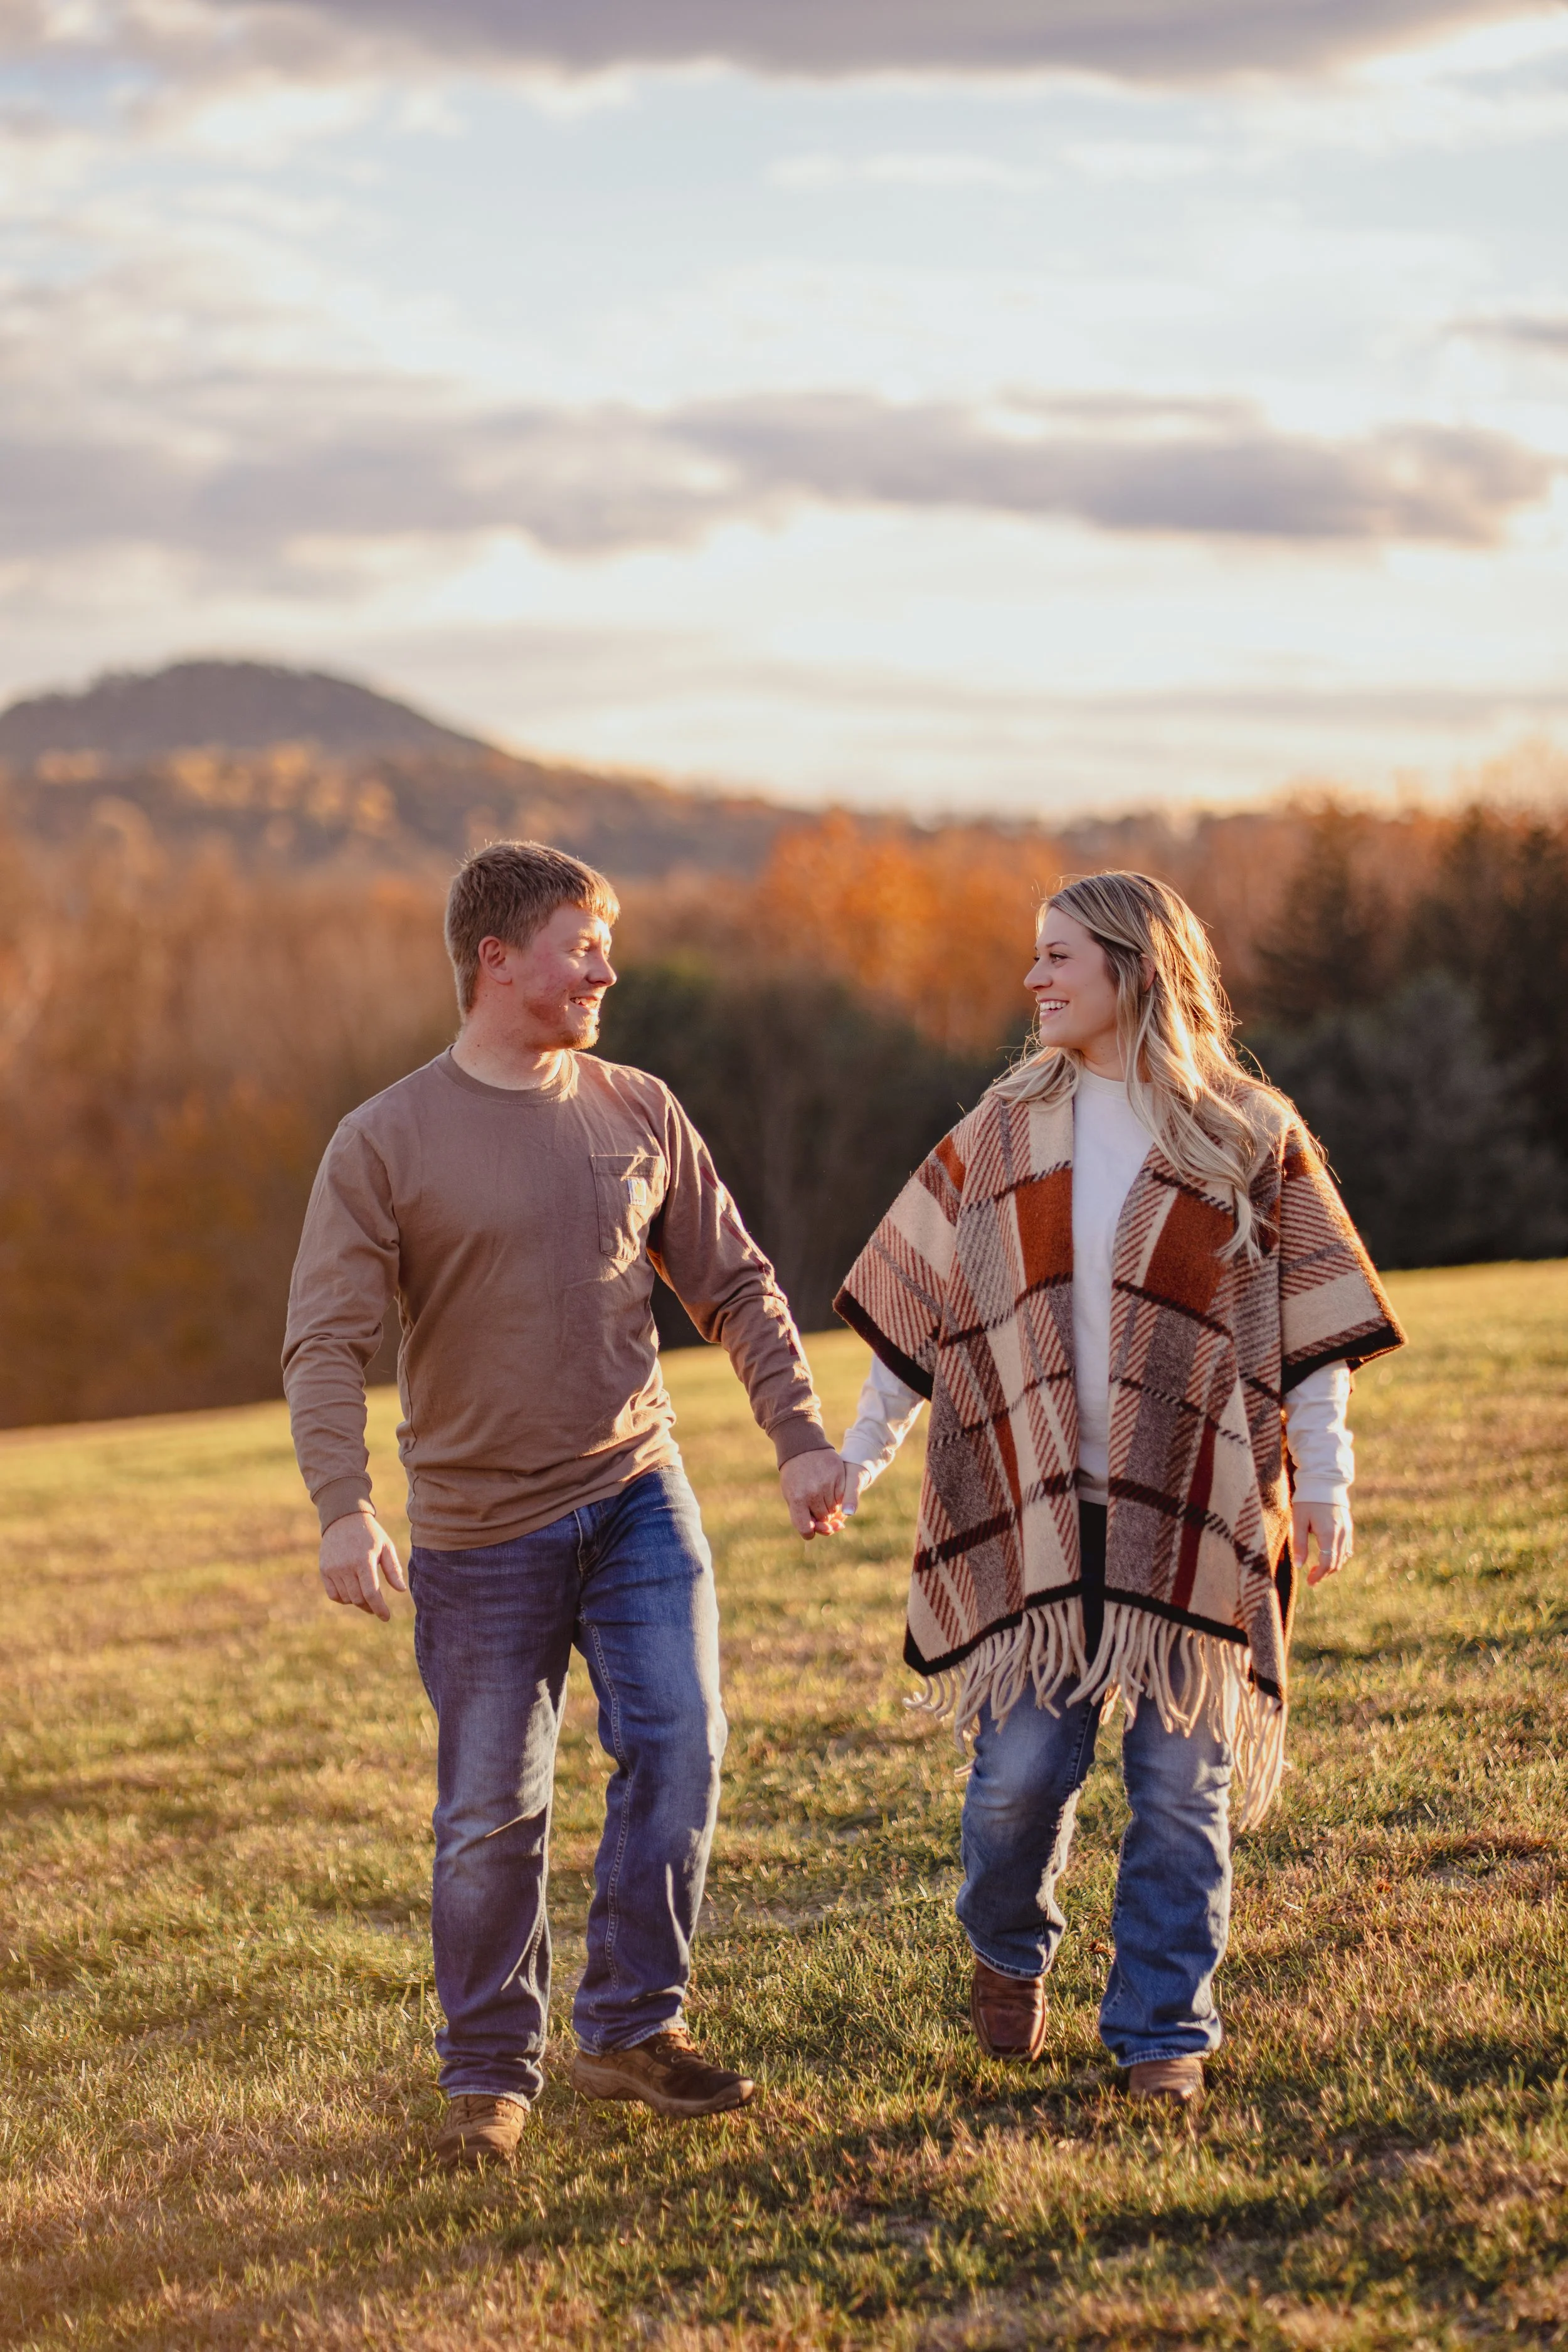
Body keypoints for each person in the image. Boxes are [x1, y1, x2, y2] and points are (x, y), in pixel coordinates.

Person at [282, 840, 845, 2169]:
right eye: (580, 943)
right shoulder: (384, 1140)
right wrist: (341, 1506)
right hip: (480, 1535)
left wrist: (797, 1436)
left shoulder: (638, 1106)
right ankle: (487, 2072)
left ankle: (629, 2029)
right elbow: (325, 1343)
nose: (606, 966)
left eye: (606, 944)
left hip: (637, 1492)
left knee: (682, 1744)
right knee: (492, 1812)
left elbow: (738, 1284)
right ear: (495, 959)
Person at [833, 871, 1403, 2108]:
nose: (1031, 981)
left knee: (1176, 1792)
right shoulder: (1004, 1128)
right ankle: (1006, 1943)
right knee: (1016, 1785)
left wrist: (1325, 1481)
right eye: (1031, 959)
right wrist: (854, 1457)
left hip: (1196, 1514)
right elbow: (914, 1312)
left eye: (1055, 960)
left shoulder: (1246, 1134)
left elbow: (1307, 1329)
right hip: (1044, 1519)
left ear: (1131, 970)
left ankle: (1161, 2036)